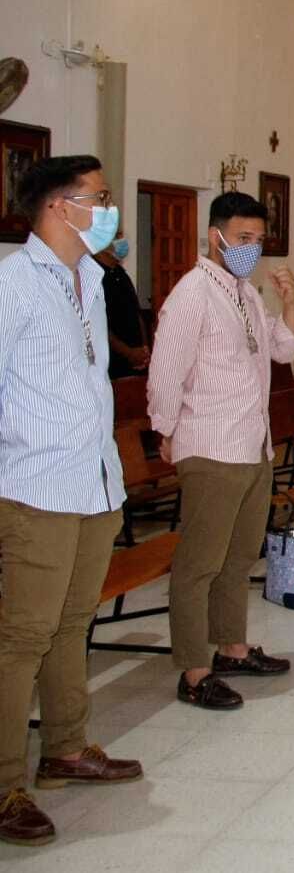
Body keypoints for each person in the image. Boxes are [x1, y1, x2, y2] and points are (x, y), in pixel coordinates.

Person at [0, 156, 142, 848]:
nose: (109, 210)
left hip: (94, 481)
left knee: (72, 623)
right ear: (59, 206)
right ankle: (2, 787)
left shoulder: (88, 278)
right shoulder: (10, 284)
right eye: (100, 198)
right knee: (22, 637)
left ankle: (65, 747)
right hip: (36, 487)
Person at [146, 191, 294, 711]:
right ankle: (194, 670)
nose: (251, 249)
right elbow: (165, 369)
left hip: (251, 445)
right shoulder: (193, 292)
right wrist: (164, 429)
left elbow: (282, 350)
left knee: (238, 558)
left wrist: (290, 302)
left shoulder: (242, 292)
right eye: (242, 238)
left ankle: (232, 648)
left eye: (258, 241)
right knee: (200, 564)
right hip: (211, 444)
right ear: (214, 236)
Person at [97, 227, 150, 378]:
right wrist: (129, 353)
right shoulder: (95, 275)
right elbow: (99, 325)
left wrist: (144, 349)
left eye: (121, 234)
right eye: (117, 236)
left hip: (136, 362)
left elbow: (137, 313)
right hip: (113, 366)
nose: (122, 240)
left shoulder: (121, 273)